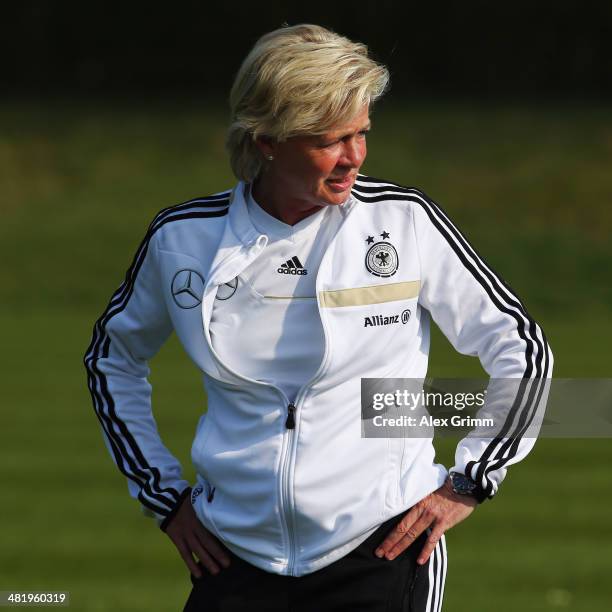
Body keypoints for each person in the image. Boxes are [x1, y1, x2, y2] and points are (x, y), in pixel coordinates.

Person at [83, 24, 553, 612]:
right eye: (330, 140)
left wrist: (470, 480)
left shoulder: (403, 223)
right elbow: (111, 360)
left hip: (382, 553)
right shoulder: (182, 239)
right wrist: (165, 496)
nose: (353, 156)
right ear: (267, 140)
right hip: (231, 556)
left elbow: (521, 347)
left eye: (362, 134)